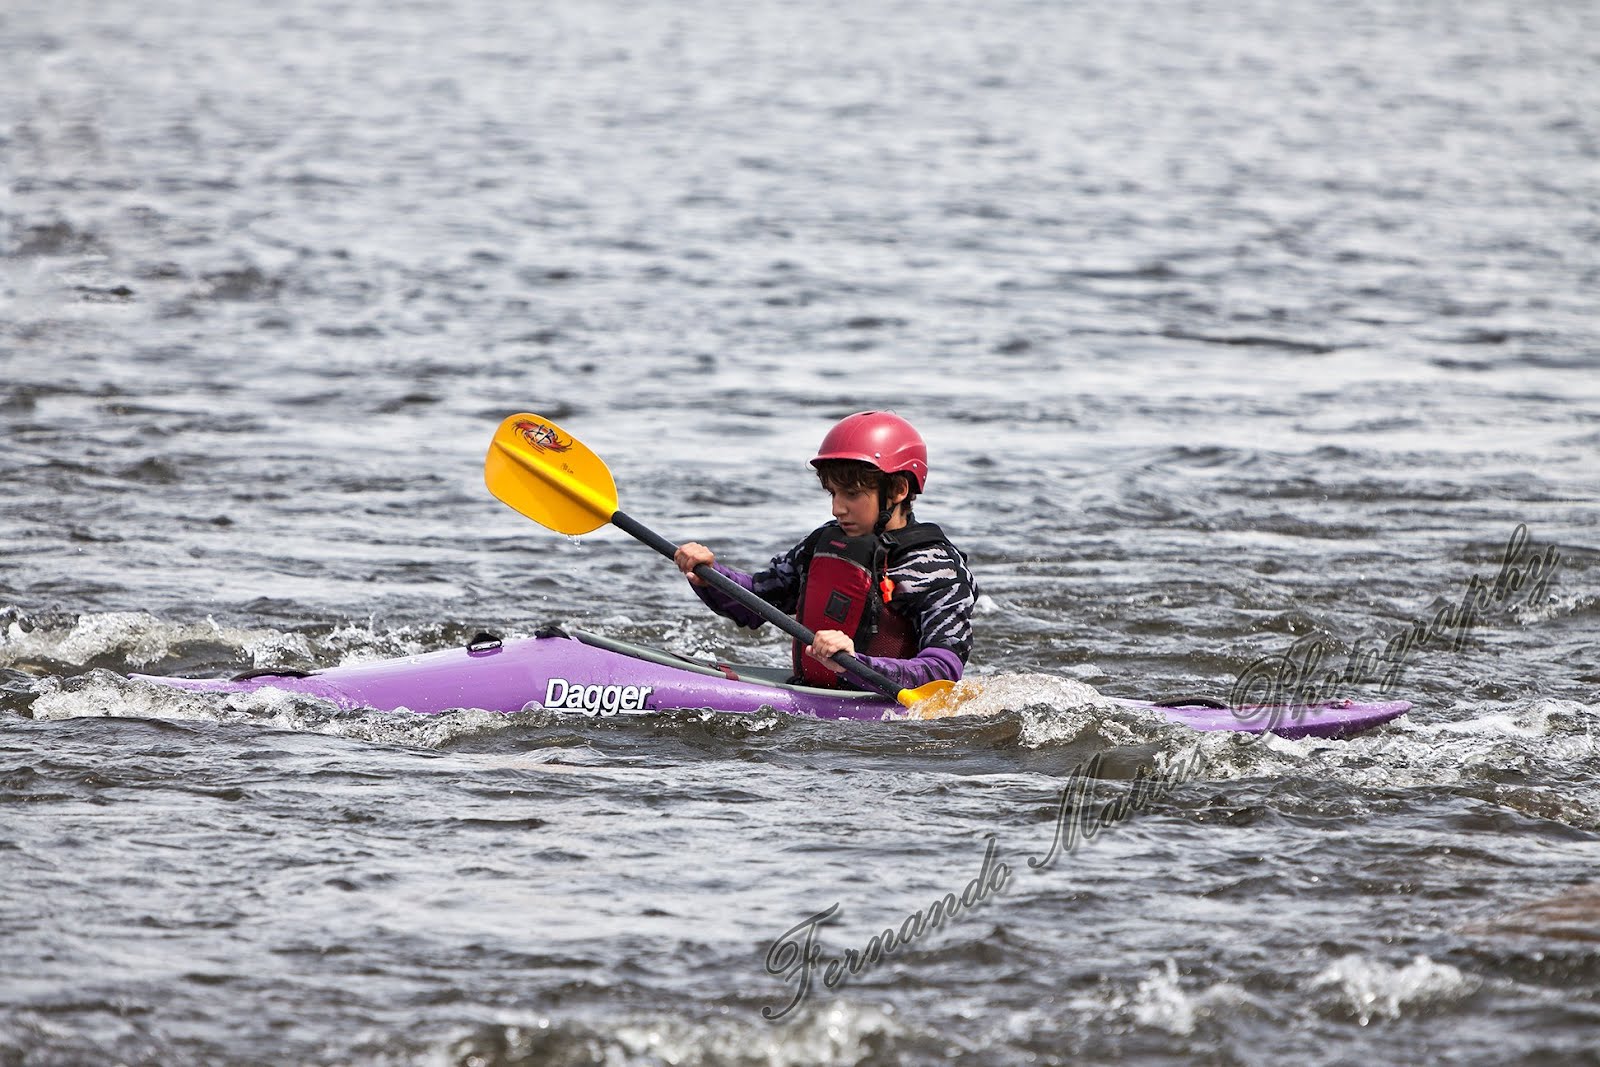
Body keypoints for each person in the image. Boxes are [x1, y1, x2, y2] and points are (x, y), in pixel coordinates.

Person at [673, 411, 977, 690]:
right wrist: (708, 575)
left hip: (884, 715)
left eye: (853, 494)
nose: (837, 508)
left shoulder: (935, 567)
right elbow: (757, 600)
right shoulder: (824, 543)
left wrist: (857, 664)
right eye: (833, 493)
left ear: (898, 489)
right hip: (818, 692)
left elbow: (943, 671)